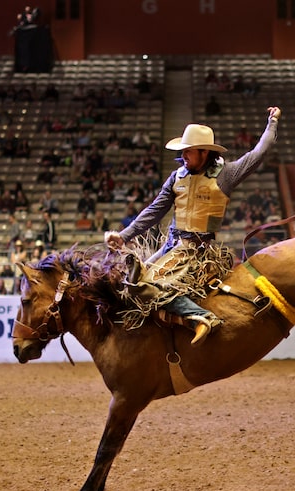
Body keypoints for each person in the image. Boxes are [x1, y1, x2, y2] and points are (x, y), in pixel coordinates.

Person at [104, 106, 281, 345]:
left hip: (198, 251)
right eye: (183, 150)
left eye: (188, 151)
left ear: (204, 152)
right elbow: (155, 209)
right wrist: (124, 235)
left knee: (150, 286)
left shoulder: (227, 174)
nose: (183, 155)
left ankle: (203, 317)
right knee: (133, 285)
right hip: (171, 246)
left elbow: (259, 152)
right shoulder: (177, 176)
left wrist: (272, 122)